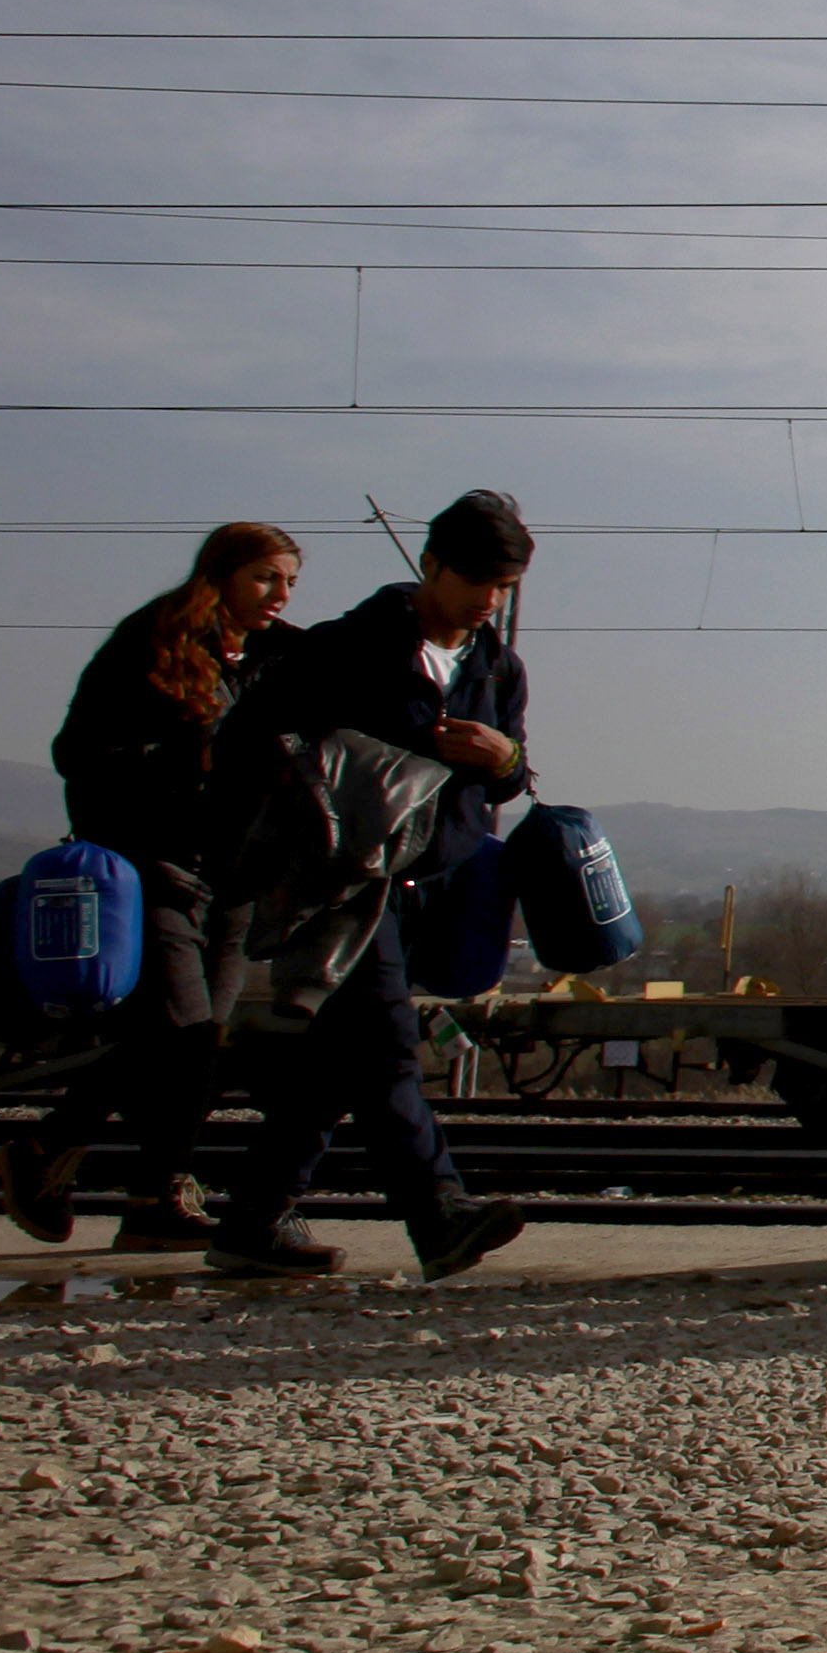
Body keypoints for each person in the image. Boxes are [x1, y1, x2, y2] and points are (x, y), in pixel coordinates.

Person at [204, 490, 538, 1283]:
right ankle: (438, 1214)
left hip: (430, 884)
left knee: (333, 1067)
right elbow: (247, 744)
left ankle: (251, 1221)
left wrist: (503, 762)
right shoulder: (346, 647)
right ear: (430, 565)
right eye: (476, 581)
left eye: (503, 586)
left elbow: (508, 778)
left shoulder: (498, 667)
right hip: (344, 886)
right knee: (386, 1045)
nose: (489, 600)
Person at [0, 523, 300, 1251]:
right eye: (266, 576)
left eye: (290, 581)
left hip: (233, 877)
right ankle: (148, 1196)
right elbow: (79, 753)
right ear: (220, 574)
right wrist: (189, 762)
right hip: (152, 869)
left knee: (192, 1045)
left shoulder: (281, 655)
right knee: (185, 1038)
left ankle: (60, 1159)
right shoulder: (153, 640)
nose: (280, 594)